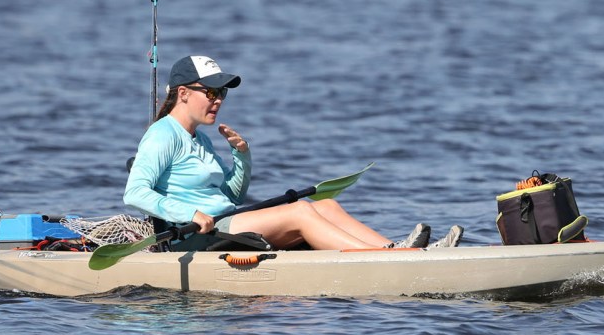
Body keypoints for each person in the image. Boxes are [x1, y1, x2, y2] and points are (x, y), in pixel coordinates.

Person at [124, 53, 464, 252]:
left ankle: (394, 251)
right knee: (300, 212)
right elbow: (136, 192)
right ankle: (388, 262)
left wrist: (242, 157)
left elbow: (230, 195)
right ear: (183, 93)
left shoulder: (201, 138)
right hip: (194, 239)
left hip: (224, 221)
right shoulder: (161, 135)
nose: (218, 100)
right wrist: (190, 214)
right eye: (211, 92)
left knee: (326, 204)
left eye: (223, 94)